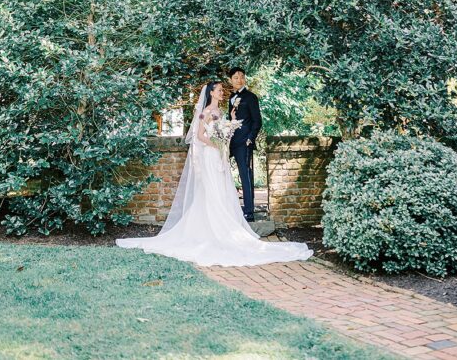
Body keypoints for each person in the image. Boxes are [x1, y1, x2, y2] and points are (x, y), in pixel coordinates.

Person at [116, 81, 311, 267]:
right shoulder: (206, 112)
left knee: (222, 191)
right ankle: (211, 230)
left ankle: (226, 228)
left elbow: (223, 131)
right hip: (211, 155)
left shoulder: (219, 111)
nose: (221, 92)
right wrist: (216, 145)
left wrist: (231, 124)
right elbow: (200, 136)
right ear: (210, 93)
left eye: (221, 90)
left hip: (219, 156)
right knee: (211, 191)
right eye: (218, 90)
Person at [228, 67, 262, 221]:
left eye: (242, 77)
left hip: (244, 142)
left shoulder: (251, 97)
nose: (239, 80)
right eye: (235, 77)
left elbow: (257, 120)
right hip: (231, 142)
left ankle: (249, 211)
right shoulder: (231, 97)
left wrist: (250, 138)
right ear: (231, 80)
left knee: (245, 175)